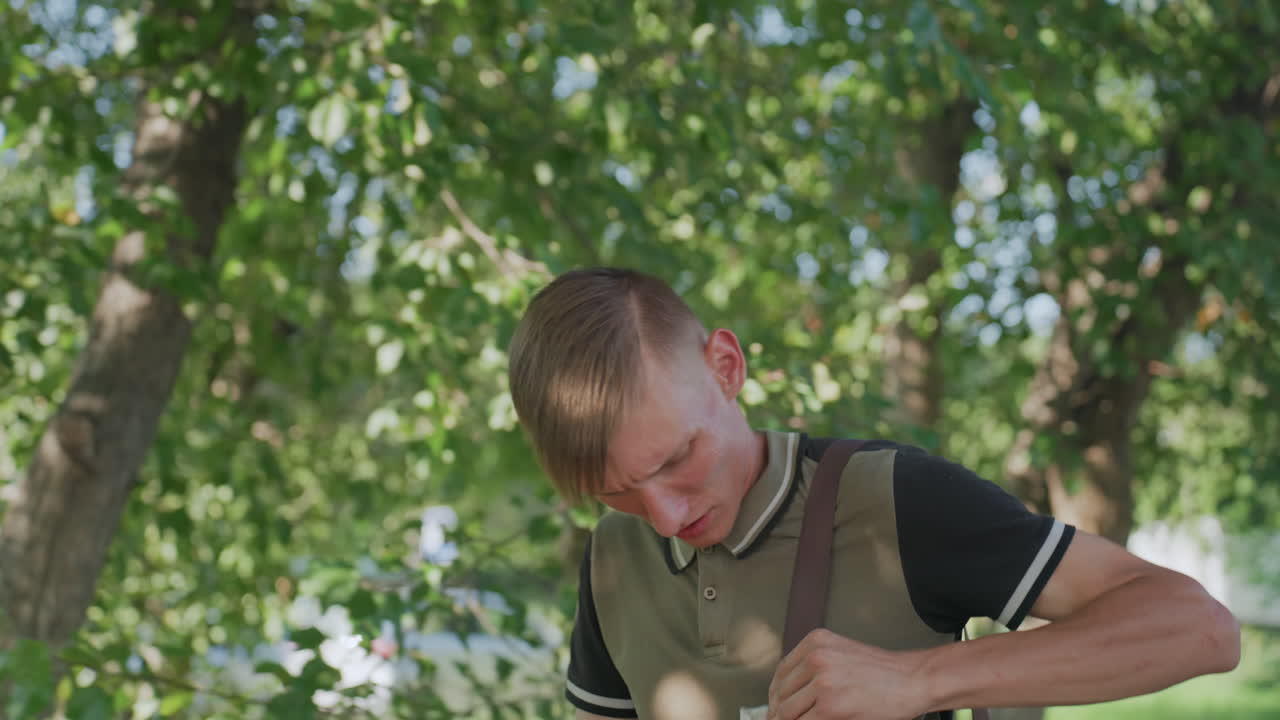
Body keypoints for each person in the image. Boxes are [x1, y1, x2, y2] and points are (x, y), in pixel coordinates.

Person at [506, 267, 1240, 720]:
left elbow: (1198, 629)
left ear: (726, 367)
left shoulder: (895, 501)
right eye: (618, 491)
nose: (665, 515)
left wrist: (918, 681)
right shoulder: (613, 555)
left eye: (677, 458)